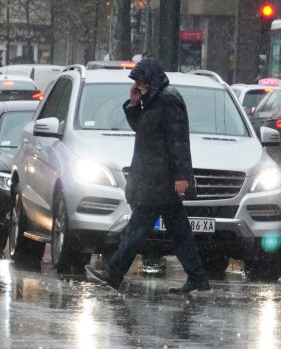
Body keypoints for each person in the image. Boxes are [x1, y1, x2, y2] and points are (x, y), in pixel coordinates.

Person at [85, 58, 210, 294]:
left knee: (137, 229)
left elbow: (178, 141)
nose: (138, 85)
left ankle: (113, 274)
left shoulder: (168, 99)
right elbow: (142, 128)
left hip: (160, 181)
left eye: (140, 81)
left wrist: (181, 176)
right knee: (179, 231)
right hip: (155, 178)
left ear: (150, 79)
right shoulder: (153, 100)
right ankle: (197, 277)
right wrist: (133, 103)